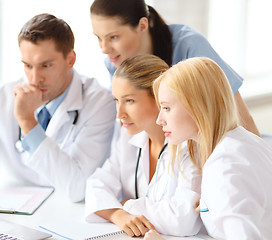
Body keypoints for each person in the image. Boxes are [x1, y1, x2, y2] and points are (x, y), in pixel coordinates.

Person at [0, 14, 116, 203]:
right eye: (27, 66)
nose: (34, 79)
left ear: (70, 59)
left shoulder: (100, 102)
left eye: (46, 66)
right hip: (11, 212)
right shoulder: (3, 96)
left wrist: (27, 122)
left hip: (66, 213)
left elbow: (77, 188)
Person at [89, 0, 260, 137]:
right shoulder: (113, 62)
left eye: (113, 37)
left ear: (142, 25)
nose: (104, 48)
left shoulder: (189, 46)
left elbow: (239, 115)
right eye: (98, 38)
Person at [148, 57, 272, 240]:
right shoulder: (242, 142)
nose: (159, 120)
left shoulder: (224, 164)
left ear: (197, 106)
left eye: (166, 108)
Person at [85, 55, 202, 237]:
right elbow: (97, 184)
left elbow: (183, 220)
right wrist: (119, 214)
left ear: (159, 98)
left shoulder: (190, 144)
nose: (119, 114)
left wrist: (129, 204)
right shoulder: (129, 136)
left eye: (129, 101)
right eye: (117, 100)